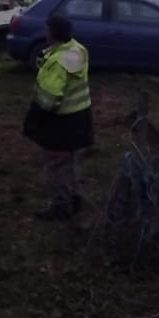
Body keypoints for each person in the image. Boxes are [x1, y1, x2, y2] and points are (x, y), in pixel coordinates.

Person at [22, 14, 93, 221]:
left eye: (47, 30)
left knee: (56, 166)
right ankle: (73, 199)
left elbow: (49, 99)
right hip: (79, 119)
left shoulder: (60, 61)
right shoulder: (76, 49)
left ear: (53, 33)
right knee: (69, 164)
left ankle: (61, 207)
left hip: (62, 123)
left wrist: (36, 116)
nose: (45, 33)